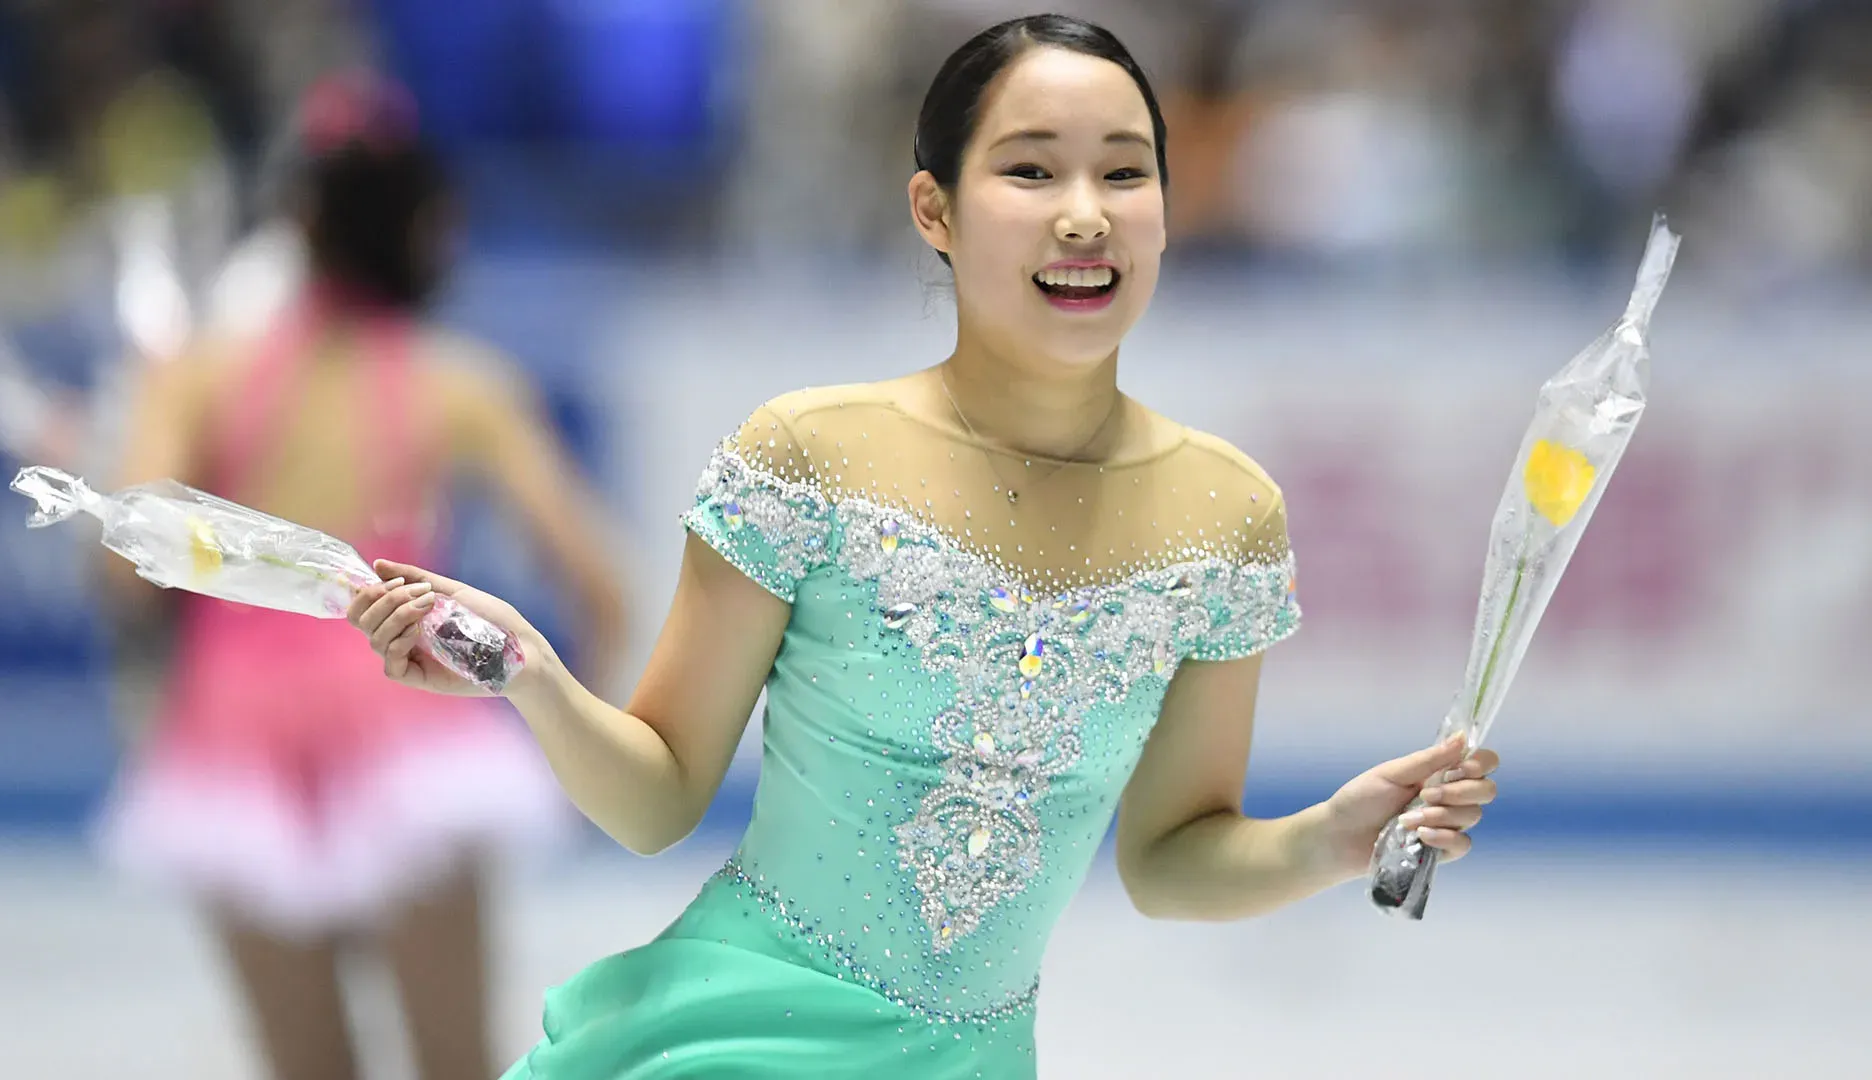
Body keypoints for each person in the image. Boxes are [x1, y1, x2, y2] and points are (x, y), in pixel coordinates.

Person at [351, 16, 1501, 1079]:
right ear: (933, 209)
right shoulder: (808, 454)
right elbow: (656, 798)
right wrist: (536, 677)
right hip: (737, 1037)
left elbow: (1171, 857)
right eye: (1032, 168)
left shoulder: (1224, 515)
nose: (1086, 212)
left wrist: (1330, 840)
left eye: (1125, 169)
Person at [102, 72, 628, 1080]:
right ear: (429, 230)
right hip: (406, 728)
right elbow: (599, 581)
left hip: (235, 739)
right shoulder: (458, 385)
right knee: (458, 1065)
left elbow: (130, 575)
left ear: (299, 222)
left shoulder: (200, 376)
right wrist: (575, 751)